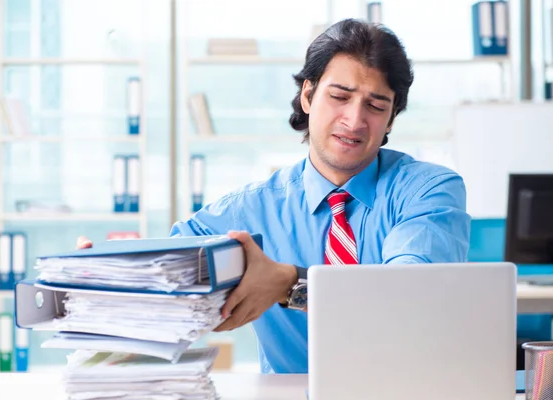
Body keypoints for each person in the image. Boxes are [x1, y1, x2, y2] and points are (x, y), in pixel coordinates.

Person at [77, 18, 471, 374]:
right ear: (308, 96)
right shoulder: (249, 209)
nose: (354, 120)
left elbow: (412, 295)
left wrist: (290, 284)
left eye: (375, 105)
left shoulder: (429, 191)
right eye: (339, 96)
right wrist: (101, 282)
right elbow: (167, 273)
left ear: (391, 118)